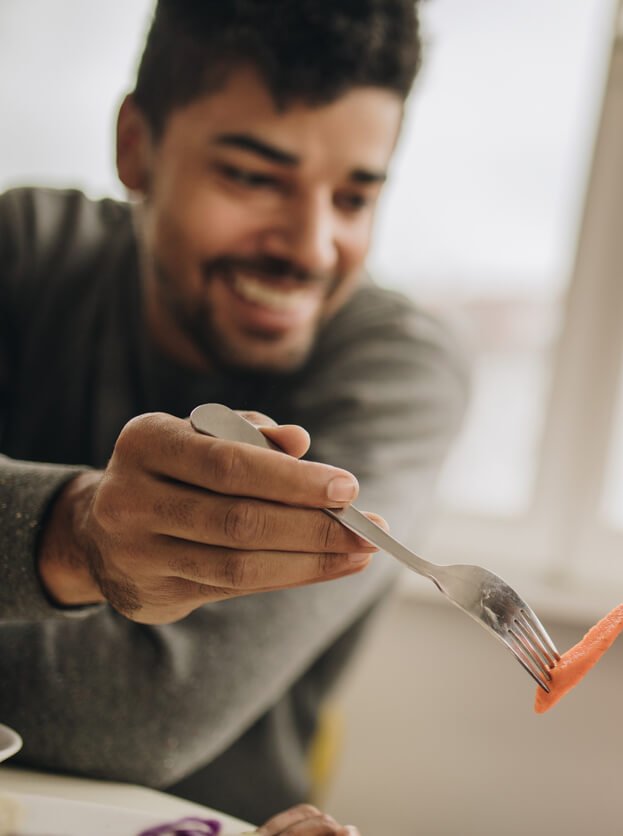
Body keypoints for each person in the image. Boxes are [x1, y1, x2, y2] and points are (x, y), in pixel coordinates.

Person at [0, 0, 467, 826]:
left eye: (354, 199)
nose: (311, 247)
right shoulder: (23, 249)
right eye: (253, 177)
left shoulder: (397, 372)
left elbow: (139, 712)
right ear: (136, 148)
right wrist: (71, 528)